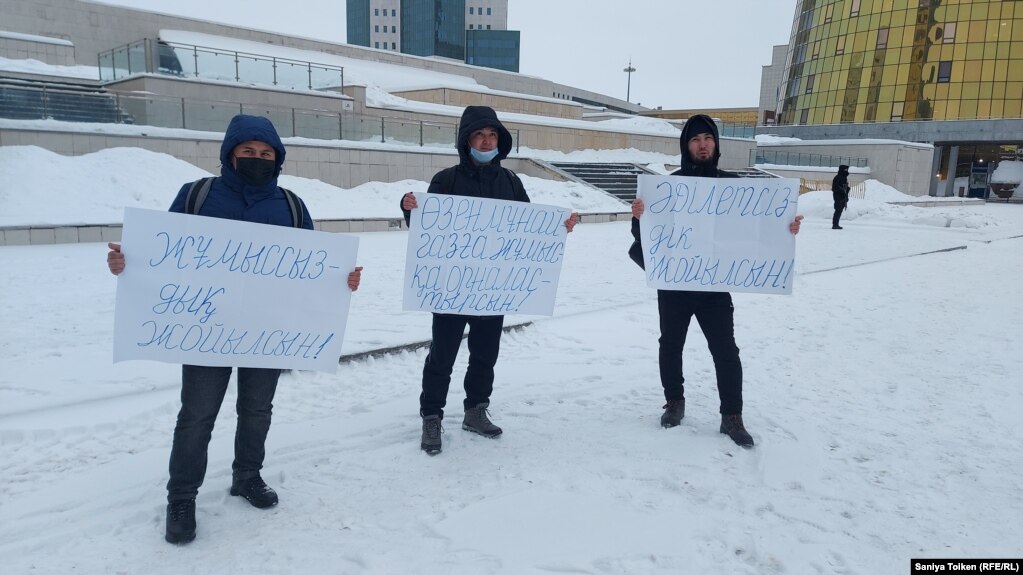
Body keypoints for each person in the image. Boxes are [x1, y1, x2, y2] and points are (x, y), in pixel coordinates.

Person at [106, 114, 363, 544]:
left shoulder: (292, 205)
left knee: (257, 411)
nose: (257, 159)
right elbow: (160, 252)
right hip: (206, 329)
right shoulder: (197, 195)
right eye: (248, 152)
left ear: (277, 159)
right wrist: (125, 262)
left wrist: (342, 280)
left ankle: (247, 476)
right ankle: (182, 496)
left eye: (267, 154)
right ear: (230, 154)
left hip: (267, 332)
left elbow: (311, 266)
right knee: (197, 416)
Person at [400, 105, 578, 455]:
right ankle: (432, 415)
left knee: (485, 353)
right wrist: (409, 208)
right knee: (443, 354)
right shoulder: (446, 179)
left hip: (493, 289)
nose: (486, 140)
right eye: (479, 135)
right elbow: (426, 230)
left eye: (492, 134)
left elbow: (529, 229)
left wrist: (558, 228)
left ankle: (476, 409)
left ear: (501, 140)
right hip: (451, 287)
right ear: (466, 140)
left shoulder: (511, 182)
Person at [628, 114, 803, 449]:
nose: (702, 144)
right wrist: (639, 216)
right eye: (695, 139)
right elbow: (646, 237)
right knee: (671, 345)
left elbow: (760, 230)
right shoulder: (668, 186)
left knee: (725, 350)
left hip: (713, 286)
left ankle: (732, 416)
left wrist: (787, 228)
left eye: (708, 138)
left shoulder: (733, 186)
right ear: (686, 146)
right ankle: (674, 402)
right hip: (676, 284)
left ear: (716, 144)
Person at [832, 164, 850, 229]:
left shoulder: (844, 178)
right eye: (845, 169)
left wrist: (847, 191)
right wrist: (842, 191)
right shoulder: (837, 177)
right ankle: (835, 224)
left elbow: (845, 187)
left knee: (840, 211)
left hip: (843, 196)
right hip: (838, 197)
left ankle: (836, 224)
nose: (846, 171)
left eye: (847, 169)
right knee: (838, 210)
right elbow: (835, 187)